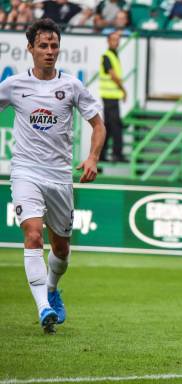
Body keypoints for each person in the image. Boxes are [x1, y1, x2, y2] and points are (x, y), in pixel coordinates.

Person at [0, 18, 105, 334]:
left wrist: (92, 157)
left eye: (54, 45)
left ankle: (52, 288)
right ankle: (42, 306)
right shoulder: (14, 86)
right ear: (30, 48)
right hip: (25, 172)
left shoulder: (71, 86)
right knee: (32, 234)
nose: (49, 51)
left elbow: (98, 125)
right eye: (43, 46)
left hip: (60, 177)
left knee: (61, 249)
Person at [99, 30, 127, 163]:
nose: (117, 42)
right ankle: (117, 154)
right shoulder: (107, 56)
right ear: (108, 41)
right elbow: (113, 75)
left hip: (112, 96)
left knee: (109, 127)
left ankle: (101, 155)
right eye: (114, 39)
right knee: (116, 126)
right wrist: (123, 90)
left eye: (118, 39)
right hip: (109, 97)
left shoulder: (114, 55)